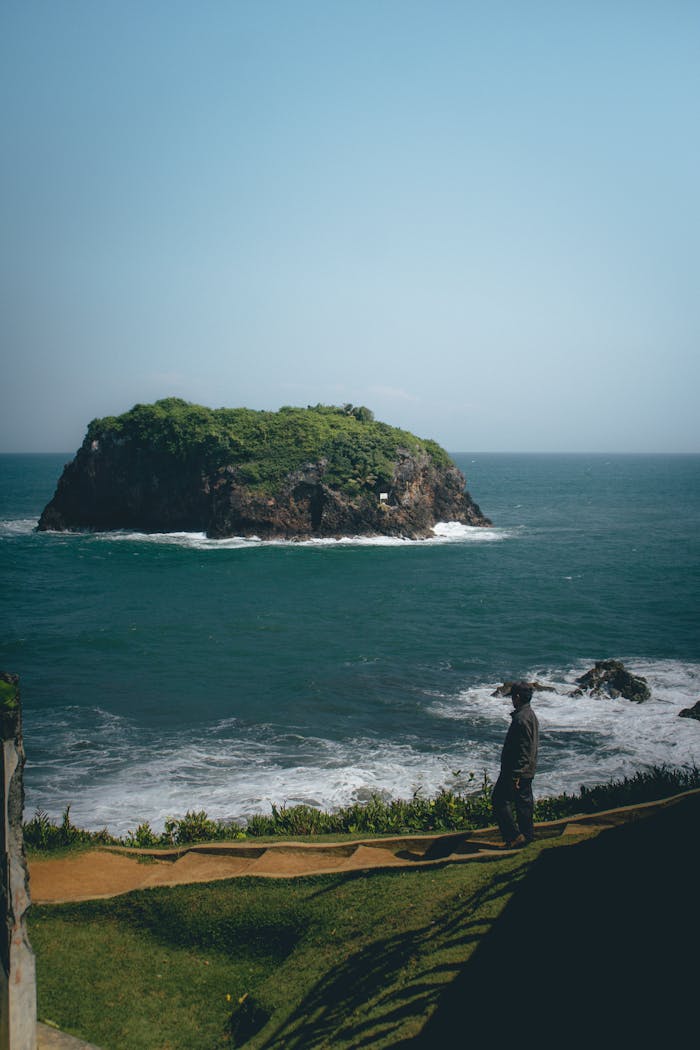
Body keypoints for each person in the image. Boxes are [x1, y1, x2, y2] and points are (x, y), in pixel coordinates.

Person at [492, 682, 539, 848]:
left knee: (499, 800)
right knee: (523, 803)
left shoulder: (520, 719)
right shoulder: (530, 714)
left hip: (516, 770)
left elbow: (524, 748)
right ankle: (527, 835)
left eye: (512, 696)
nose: (512, 700)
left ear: (517, 697)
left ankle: (514, 836)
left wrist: (517, 773)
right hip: (528, 768)